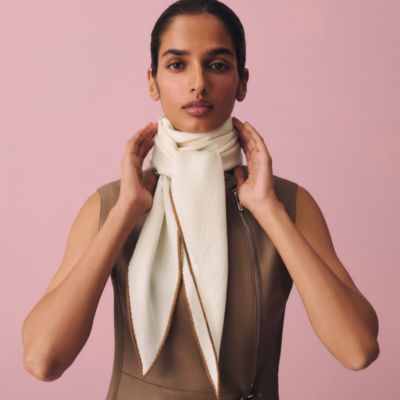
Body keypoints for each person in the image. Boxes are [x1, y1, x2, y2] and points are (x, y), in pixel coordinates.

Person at [22, 1, 380, 399]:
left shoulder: (287, 204)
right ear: (152, 81)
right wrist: (125, 213)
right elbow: (43, 359)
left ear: (242, 81)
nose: (198, 83)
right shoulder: (112, 205)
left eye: (217, 65)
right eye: (177, 65)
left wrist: (269, 211)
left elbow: (358, 349)